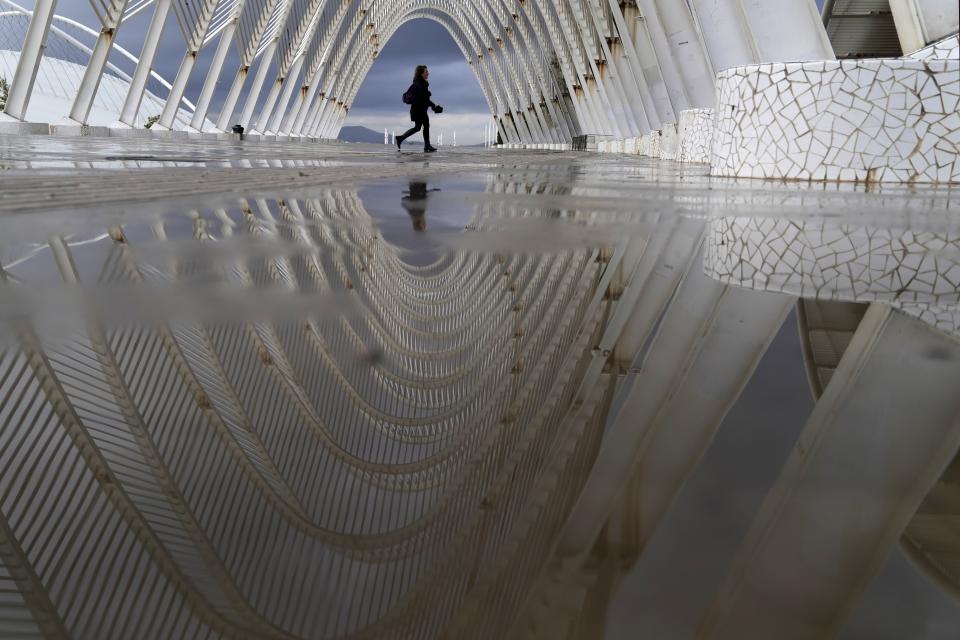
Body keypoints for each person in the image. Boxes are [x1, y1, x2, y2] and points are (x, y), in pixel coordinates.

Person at [397, 65, 442, 153]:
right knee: (423, 126)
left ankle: (401, 138)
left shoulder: (420, 83)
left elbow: (424, 98)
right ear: (421, 73)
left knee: (420, 127)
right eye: (426, 72)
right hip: (418, 110)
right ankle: (427, 146)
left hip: (419, 109)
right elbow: (424, 98)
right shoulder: (420, 84)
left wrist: (433, 106)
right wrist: (434, 106)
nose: (428, 73)